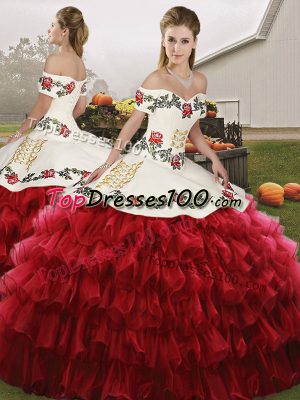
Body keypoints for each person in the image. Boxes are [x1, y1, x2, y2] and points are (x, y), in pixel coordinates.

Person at [0, 6, 300, 400]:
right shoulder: (154, 77)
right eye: (171, 39)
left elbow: (193, 129)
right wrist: (110, 163)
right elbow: (131, 125)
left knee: (217, 238)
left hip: (182, 168)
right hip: (144, 164)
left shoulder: (201, 80)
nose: (176, 47)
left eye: (184, 41)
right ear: (163, 41)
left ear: (195, 42)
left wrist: (211, 159)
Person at [0, 6, 112, 276]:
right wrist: (66, 121)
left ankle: (21, 265)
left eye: (52, 26)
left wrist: (15, 136)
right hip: (70, 131)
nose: (48, 30)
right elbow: (81, 108)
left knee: (18, 186)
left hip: (48, 131)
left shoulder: (54, 59)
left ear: (64, 31)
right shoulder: (81, 64)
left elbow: (41, 107)